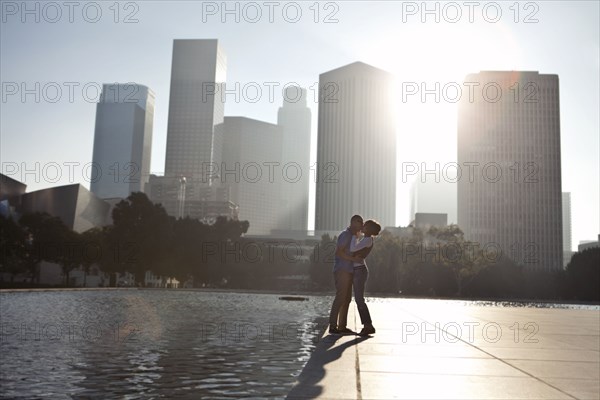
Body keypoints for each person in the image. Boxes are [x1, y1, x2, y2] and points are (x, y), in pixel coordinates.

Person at [328, 215, 364, 335]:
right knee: (340, 298)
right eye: (360, 222)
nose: (362, 225)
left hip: (348, 271)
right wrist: (353, 259)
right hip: (342, 270)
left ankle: (342, 326)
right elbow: (339, 252)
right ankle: (333, 326)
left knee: (347, 299)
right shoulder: (345, 235)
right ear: (353, 222)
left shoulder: (353, 236)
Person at [350, 219, 381, 336]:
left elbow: (353, 248)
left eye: (365, 226)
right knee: (359, 300)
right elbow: (356, 249)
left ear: (369, 229)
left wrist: (354, 235)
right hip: (358, 270)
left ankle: (368, 325)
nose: (362, 226)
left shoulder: (367, 240)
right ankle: (368, 325)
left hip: (359, 271)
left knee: (359, 300)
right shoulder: (366, 239)